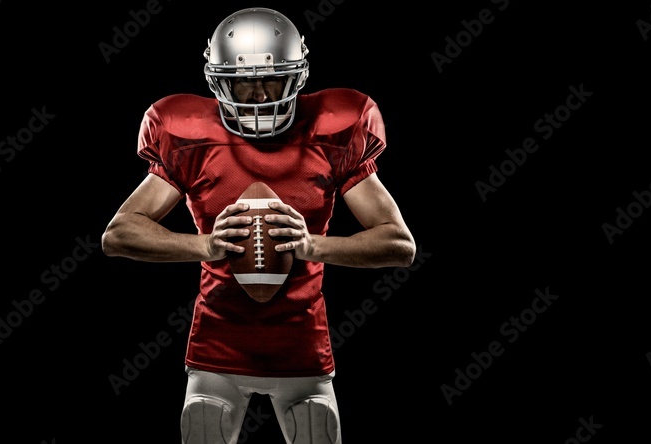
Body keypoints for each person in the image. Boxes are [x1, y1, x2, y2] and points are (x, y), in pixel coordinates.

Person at [101, 7, 415, 444]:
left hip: (301, 347)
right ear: (217, 82)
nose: (261, 96)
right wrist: (205, 245)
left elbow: (399, 243)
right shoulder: (190, 137)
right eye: (243, 83)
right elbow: (118, 235)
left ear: (298, 77)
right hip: (217, 348)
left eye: (272, 79)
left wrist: (313, 247)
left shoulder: (332, 131)